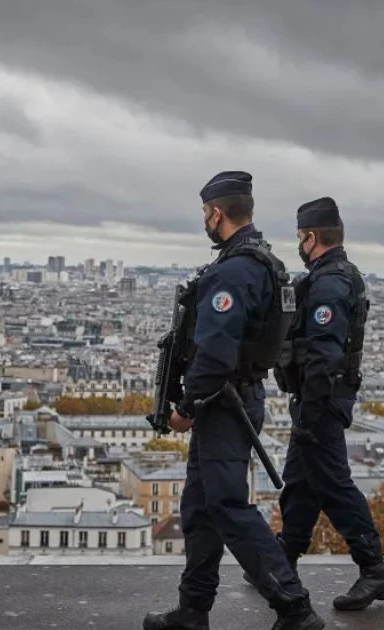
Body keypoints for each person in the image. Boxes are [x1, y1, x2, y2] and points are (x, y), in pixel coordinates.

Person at [143, 172, 325, 630]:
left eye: (206, 213)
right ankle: (193, 609)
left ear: (216, 213)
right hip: (235, 398)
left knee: (227, 508)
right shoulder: (265, 262)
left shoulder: (232, 271)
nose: (206, 220)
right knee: (200, 509)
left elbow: (216, 353)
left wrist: (184, 407)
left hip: (223, 404)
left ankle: (294, 606)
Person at [248, 196, 384, 611]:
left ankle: (373, 570)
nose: (299, 245)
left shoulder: (330, 283)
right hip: (317, 399)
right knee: (300, 482)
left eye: (300, 238)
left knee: (333, 484)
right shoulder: (332, 276)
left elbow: (322, 355)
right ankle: (284, 559)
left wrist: (311, 414)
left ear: (313, 238)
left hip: (322, 400)